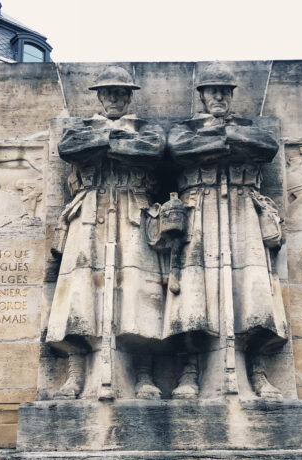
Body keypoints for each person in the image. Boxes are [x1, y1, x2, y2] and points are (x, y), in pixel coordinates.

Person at [166, 62, 288, 399]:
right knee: (193, 296)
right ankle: (190, 370)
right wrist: (227, 141)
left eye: (225, 90)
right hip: (200, 208)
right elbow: (179, 149)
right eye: (212, 90)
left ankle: (257, 371)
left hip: (242, 208)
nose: (219, 95)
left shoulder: (248, 127)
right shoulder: (183, 129)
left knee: (253, 294)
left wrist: (222, 138)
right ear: (202, 96)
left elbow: (265, 146)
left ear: (232, 95)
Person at [47, 66, 166, 400]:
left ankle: (143, 374)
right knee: (79, 295)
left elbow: (152, 150)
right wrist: (114, 142)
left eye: (120, 92)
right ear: (99, 96)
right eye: (108, 92)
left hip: (132, 207)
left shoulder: (146, 130)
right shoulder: (80, 129)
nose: (114, 98)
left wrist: (106, 145)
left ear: (129, 96)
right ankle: (75, 373)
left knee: (141, 296)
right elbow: (70, 148)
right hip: (89, 212)